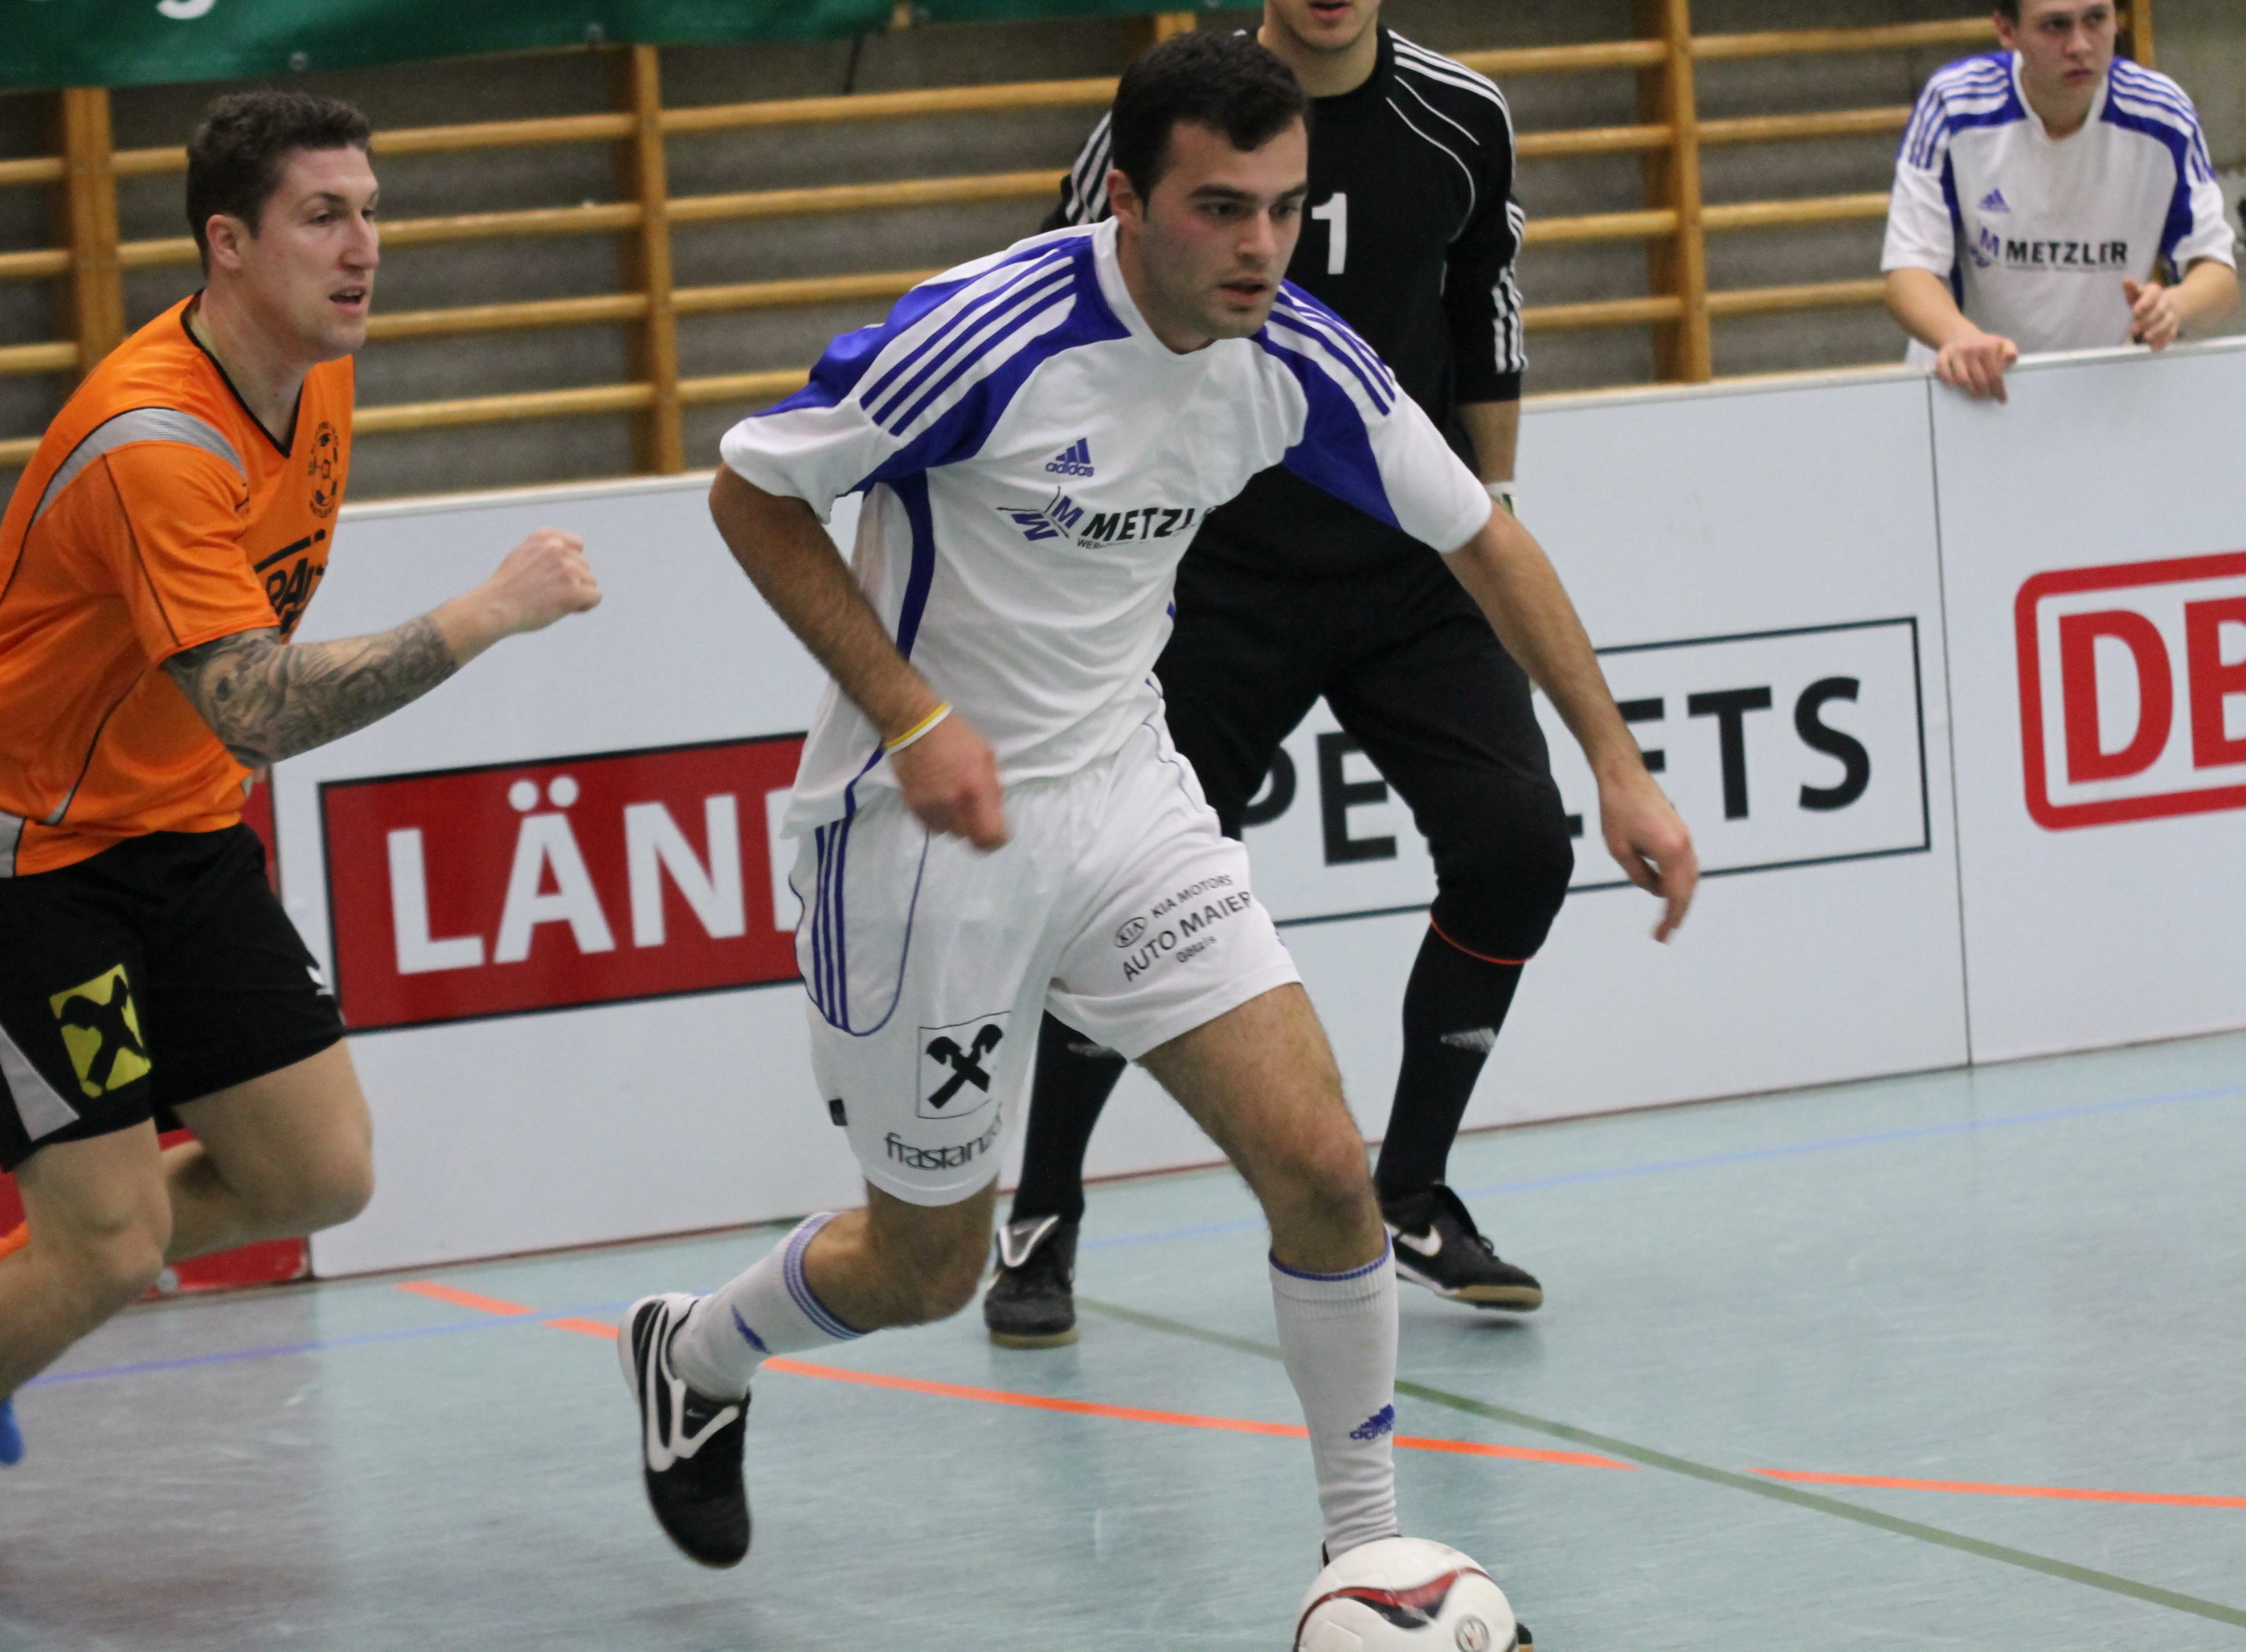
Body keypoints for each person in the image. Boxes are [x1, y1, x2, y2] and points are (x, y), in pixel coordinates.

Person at [618, 33, 1690, 1630]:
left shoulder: (1294, 358)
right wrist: (911, 715)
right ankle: (694, 1350)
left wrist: (1615, 761)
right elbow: (751, 492)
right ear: (1124, 199)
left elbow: (1481, 533)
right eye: (1219, 209)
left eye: (1283, 208)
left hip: (1127, 799)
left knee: (1321, 1167)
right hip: (921, 836)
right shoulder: (986, 335)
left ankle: (1365, 1556)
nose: (1261, 247)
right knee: (927, 1264)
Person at [0, 89, 602, 1620]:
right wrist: (484, 613)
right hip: (19, 859)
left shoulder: (313, 374)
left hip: (178, 830)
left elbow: (226, 711)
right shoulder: (155, 440)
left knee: (318, 1174)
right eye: (324, 217)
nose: (362, 246)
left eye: (371, 211)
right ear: (227, 244)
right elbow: (255, 702)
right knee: (111, 1244)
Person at [986, 0, 1583, 1349]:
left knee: (1517, 848)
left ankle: (1411, 1188)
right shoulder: (1169, 116)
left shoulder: (1459, 117)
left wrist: (1489, 503)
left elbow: (1484, 305)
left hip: (1405, 572)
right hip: (1211, 578)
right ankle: (1042, 1211)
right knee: (1121, 896)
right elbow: (1060, 312)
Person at [1882, 0, 2238, 403]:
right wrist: (1962, 338)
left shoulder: (2164, 114)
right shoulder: (1955, 104)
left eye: (2096, 19)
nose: (2080, 46)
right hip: (1973, 387)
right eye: (2055, 26)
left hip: (2099, 391)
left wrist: (2176, 305)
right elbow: (1907, 274)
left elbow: (2219, 277)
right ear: (2007, 31)